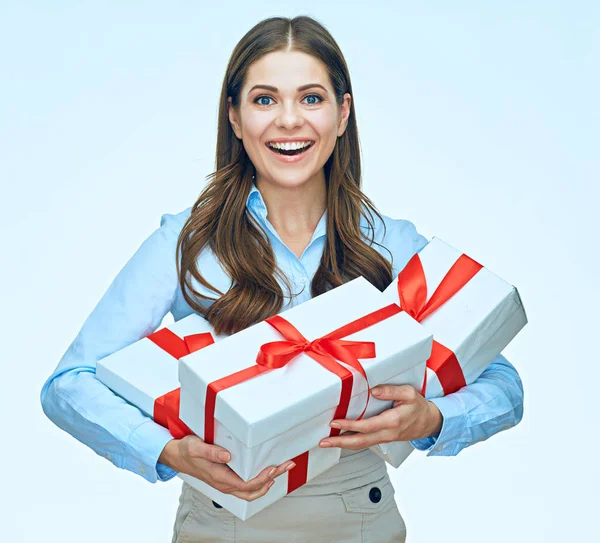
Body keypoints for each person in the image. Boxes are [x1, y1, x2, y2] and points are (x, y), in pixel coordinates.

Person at [40, 15, 524, 543]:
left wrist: (430, 418)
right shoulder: (184, 243)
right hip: (220, 525)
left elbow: (502, 383)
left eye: (311, 98)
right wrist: (166, 451)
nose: (288, 120)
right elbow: (70, 383)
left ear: (343, 114)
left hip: (360, 521)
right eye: (265, 100)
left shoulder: (392, 243)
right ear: (235, 116)